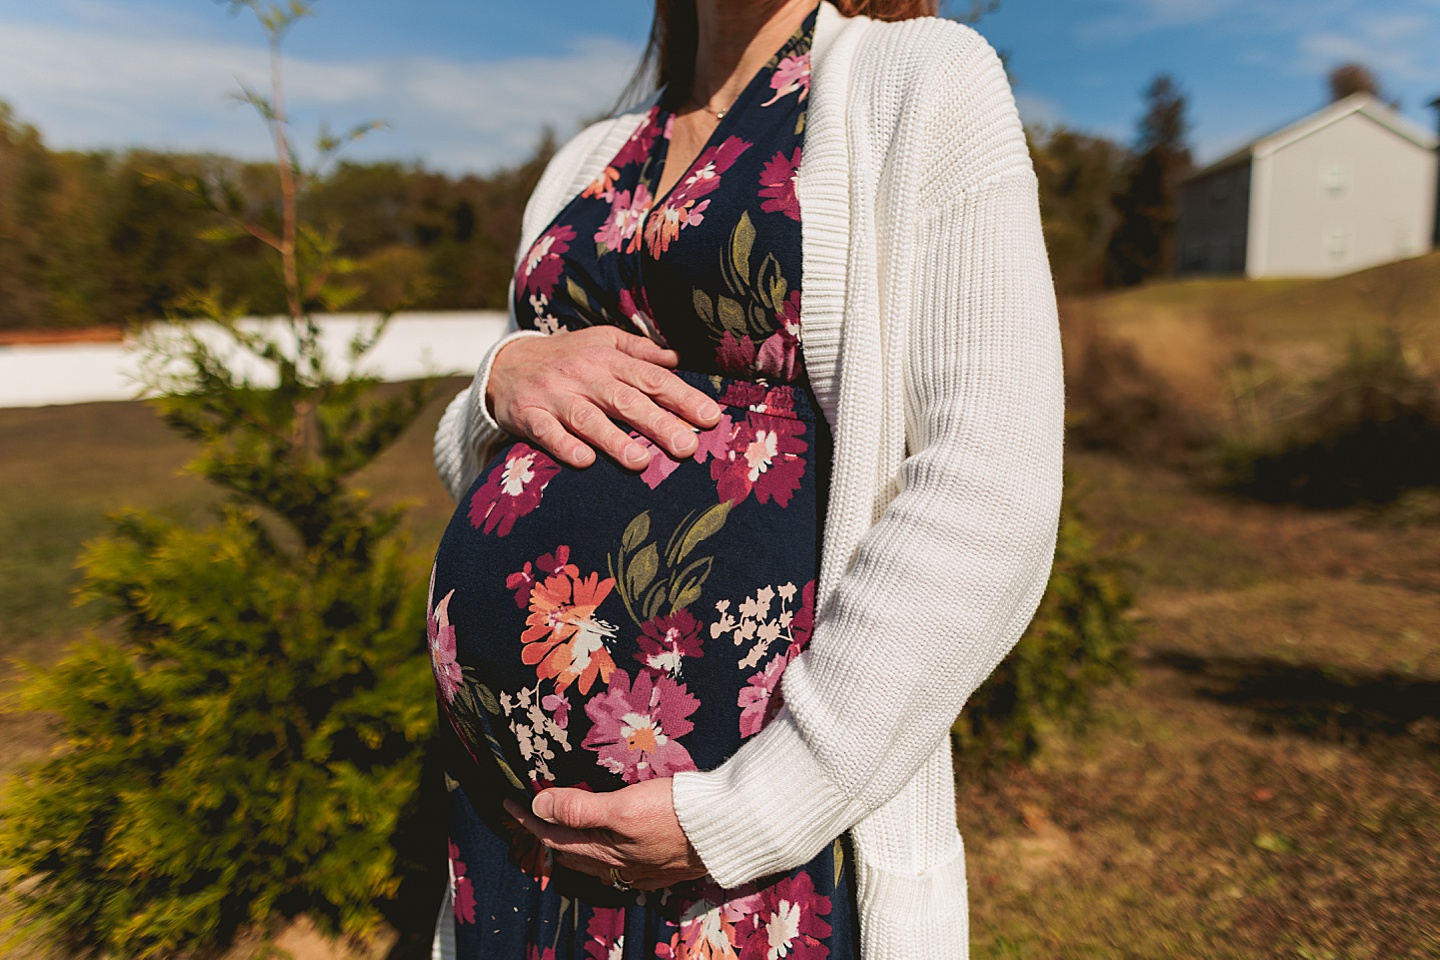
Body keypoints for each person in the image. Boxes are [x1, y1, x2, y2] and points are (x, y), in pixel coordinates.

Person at [426, 0, 1063, 956]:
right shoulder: (586, 158)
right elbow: (491, 462)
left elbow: (987, 486)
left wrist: (748, 814)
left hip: (744, 862)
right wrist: (497, 380)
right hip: (516, 842)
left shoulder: (919, 78)